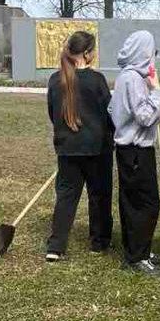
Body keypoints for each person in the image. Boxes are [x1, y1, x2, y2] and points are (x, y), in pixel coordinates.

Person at [45, 31, 113, 261]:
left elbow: (52, 114)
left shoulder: (55, 80)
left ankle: (55, 246)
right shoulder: (96, 80)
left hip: (68, 148)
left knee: (66, 196)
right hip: (97, 149)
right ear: (87, 53)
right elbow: (109, 114)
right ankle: (99, 241)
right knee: (99, 195)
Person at [109, 31, 160, 276]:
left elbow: (112, 108)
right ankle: (136, 258)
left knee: (135, 201)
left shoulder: (126, 77)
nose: (152, 58)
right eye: (151, 52)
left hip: (131, 150)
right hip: (135, 151)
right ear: (142, 52)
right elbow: (145, 116)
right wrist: (156, 91)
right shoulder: (133, 79)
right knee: (144, 204)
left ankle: (140, 250)